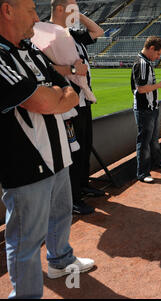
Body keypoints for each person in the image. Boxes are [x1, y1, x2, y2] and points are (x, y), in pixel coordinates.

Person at [0, 0, 95, 299]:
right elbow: (44, 101)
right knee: (26, 239)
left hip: (57, 156)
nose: (35, 17)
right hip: (26, 165)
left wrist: (56, 95)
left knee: (61, 215)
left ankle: (60, 261)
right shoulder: (2, 57)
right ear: (7, 10)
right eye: (30, 9)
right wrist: (56, 96)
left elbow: (69, 92)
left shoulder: (31, 51)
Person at [49, 0, 105, 215]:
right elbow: (44, 66)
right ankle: (71, 199)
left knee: (84, 148)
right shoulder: (48, 34)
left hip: (84, 102)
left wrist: (79, 16)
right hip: (68, 105)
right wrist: (72, 68)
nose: (77, 10)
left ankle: (82, 186)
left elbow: (98, 31)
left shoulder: (72, 34)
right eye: (73, 7)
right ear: (61, 9)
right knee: (72, 152)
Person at [131, 36, 161, 184]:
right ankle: (142, 173)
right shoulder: (141, 63)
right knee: (144, 141)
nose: (158, 57)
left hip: (151, 108)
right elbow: (141, 89)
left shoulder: (146, 62)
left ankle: (156, 162)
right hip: (144, 109)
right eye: (158, 53)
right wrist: (159, 85)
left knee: (154, 139)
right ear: (151, 48)